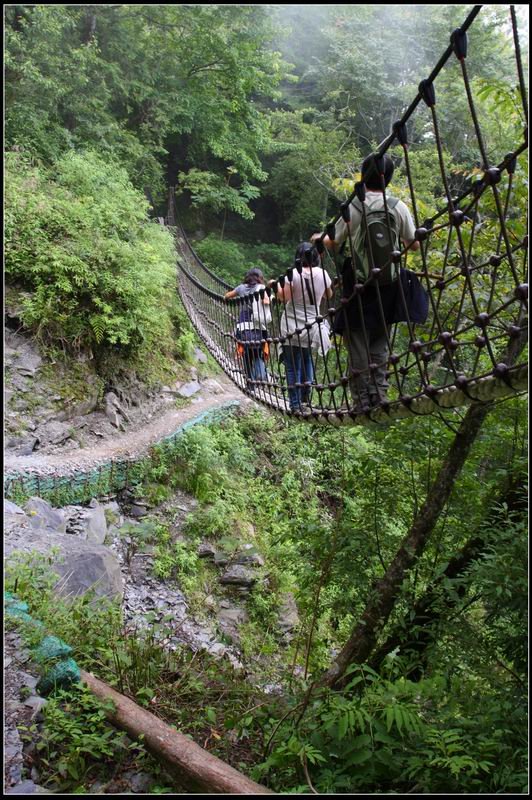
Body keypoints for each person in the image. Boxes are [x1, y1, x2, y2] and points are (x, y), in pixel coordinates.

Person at [315, 153, 421, 410]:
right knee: (380, 339)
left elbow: (333, 242)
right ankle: (380, 394)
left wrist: (319, 238)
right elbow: (415, 245)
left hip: (358, 283)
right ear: (388, 178)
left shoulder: (354, 205)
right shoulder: (398, 206)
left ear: (364, 175)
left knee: (357, 340)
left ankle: (361, 399)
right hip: (388, 282)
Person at [277, 242, 333, 412]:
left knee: (292, 365)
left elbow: (284, 297)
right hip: (311, 324)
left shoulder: (292, 274)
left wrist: (277, 286)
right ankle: (305, 399)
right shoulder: (323, 274)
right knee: (307, 358)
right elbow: (328, 295)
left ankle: (294, 405)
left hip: (292, 324)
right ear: (316, 256)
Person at [225, 268, 271, 389]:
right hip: (257, 327)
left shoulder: (241, 288)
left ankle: (250, 383)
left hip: (243, 327)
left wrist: (230, 297)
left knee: (246, 354)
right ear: (260, 278)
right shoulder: (261, 288)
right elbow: (266, 301)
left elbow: (227, 296)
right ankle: (261, 376)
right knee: (257, 352)